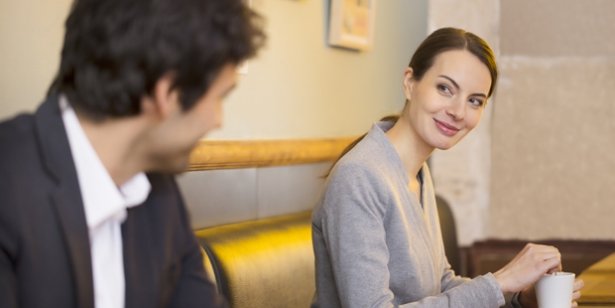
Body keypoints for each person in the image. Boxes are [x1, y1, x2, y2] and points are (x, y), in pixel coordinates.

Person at [0, 0, 264, 307]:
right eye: (220, 97)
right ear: (167, 93)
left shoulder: (160, 193)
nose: (219, 121)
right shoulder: (8, 184)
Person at [311, 27, 583, 307]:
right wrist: (500, 281)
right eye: (445, 88)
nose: (458, 111)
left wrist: (520, 300)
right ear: (410, 82)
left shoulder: (416, 172)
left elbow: (440, 285)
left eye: (474, 101)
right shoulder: (360, 176)